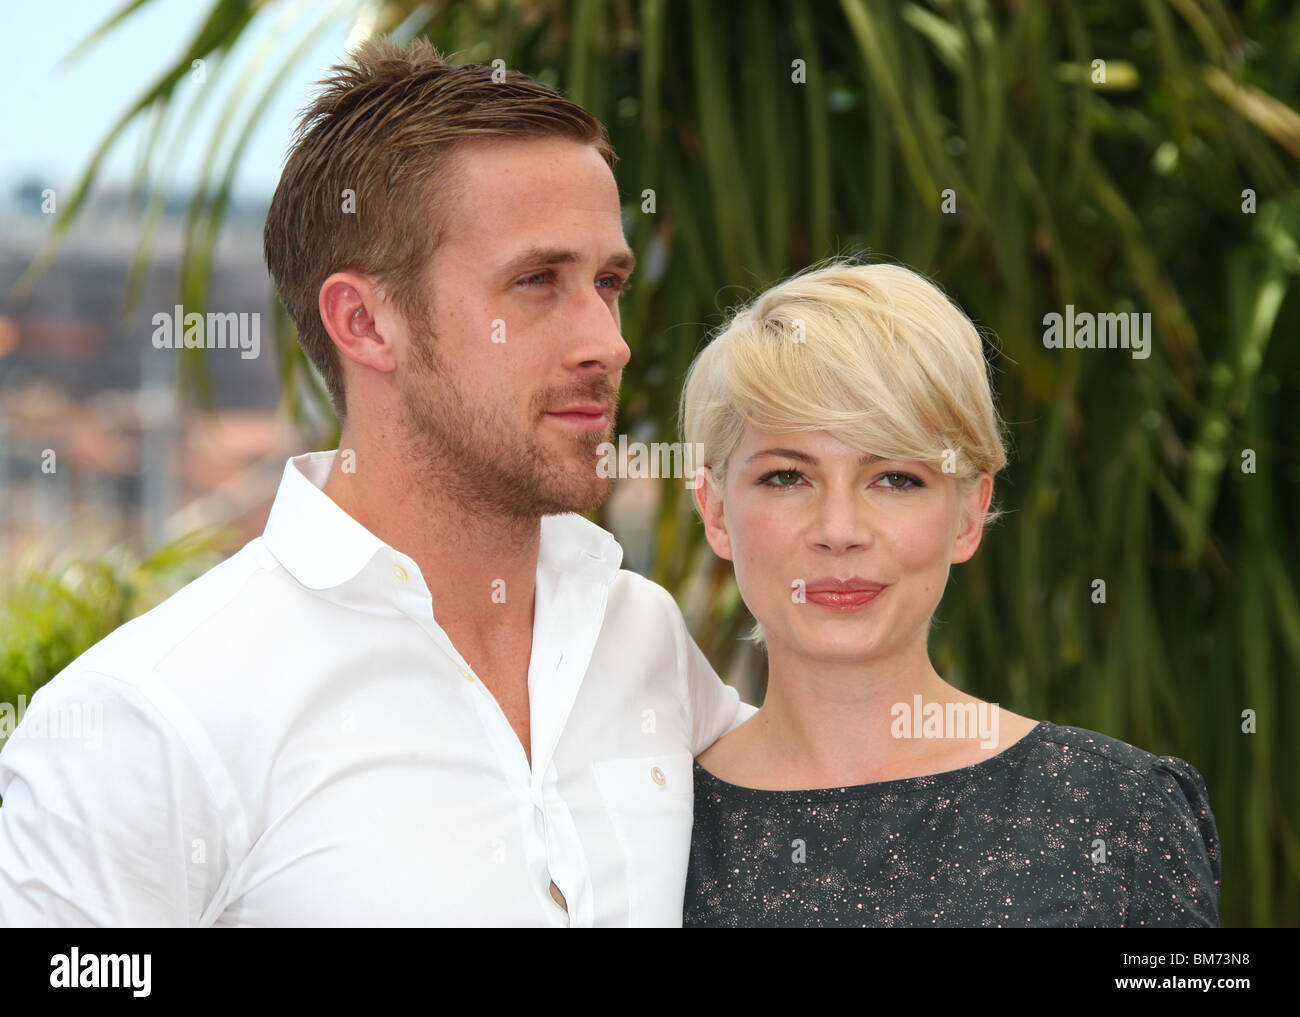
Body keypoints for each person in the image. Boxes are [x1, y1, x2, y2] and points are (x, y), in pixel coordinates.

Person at [0, 38, 753, 927]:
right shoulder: (145, 717)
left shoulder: (646, 638)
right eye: (539, 280)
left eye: (609, 281)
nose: (609, 341)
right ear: (364, 321)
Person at [678, 260, 1220, 927]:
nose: (839, 531)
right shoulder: (649, 830)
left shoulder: (1117, 811)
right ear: (713, 510)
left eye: (896, 479)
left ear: (968, 513)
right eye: (788, 476)